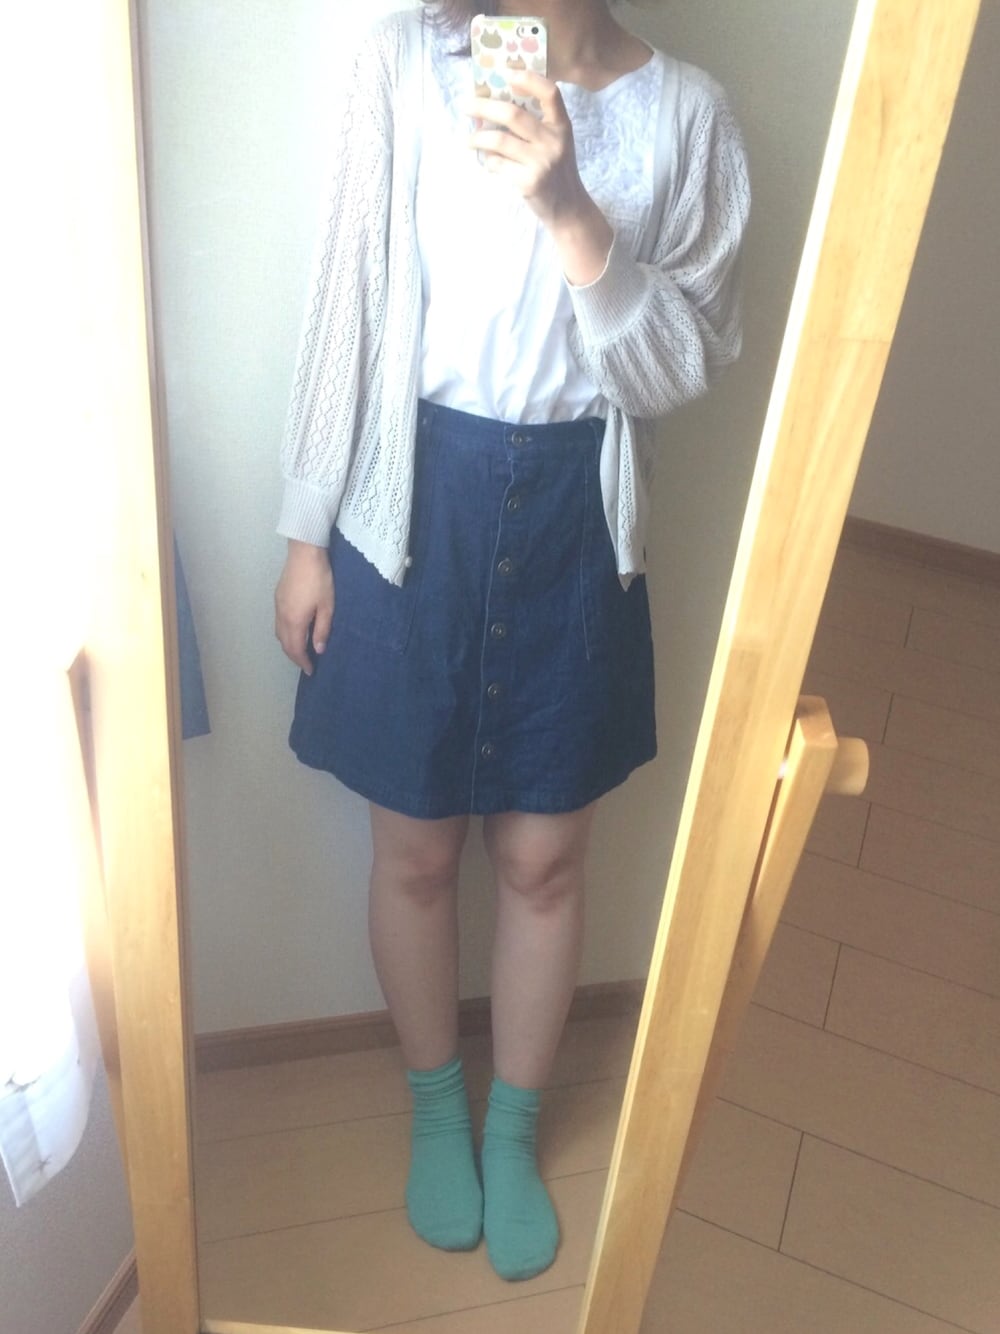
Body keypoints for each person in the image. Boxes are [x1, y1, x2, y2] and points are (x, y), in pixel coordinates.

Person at [273, 0, 749, 1283]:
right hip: (408, 498)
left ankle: (513, 1128)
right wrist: (305, 532)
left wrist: (567, 205)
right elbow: (342, 297)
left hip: (577, 513)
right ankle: (438, 1108)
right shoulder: (401, 64)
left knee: (543, 858)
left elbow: (678, 372)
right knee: (416, 849)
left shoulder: (686, 115)